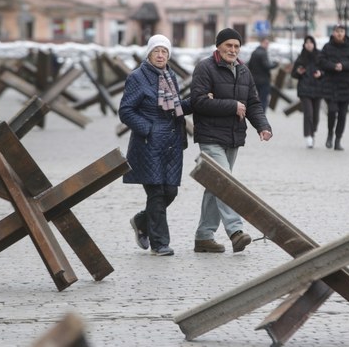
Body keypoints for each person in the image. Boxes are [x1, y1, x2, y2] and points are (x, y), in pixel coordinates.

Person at [190, 28, 273, 253]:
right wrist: (232, 105)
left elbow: (253, 103)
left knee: (215, 186)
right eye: (228, 45)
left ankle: (204, 237)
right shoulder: (205, 68)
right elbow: (197, 102)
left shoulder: (244, 71)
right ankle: (236, 231)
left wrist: (263, 126)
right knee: (225, 183)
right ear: (218, 46)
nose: (233, 50)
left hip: (233, 137)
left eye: (236, 46)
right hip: (210, 136)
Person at [119, 34, 192, 256]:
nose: (161, 55)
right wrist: (148, 129)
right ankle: (160, 244)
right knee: (157, 193)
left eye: (164, 51)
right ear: (149, 54)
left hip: (171, 143)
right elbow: (125, 110)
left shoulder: (170, 76)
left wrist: (198, 101)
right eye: (156, 51)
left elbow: (175, 107)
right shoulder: (137, 77)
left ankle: (141, 220)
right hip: (148, 144)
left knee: (170, 191)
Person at [317, 24, 349, 151]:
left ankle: (338, 139)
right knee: (331, 111)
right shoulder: (327, 47)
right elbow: (321, 61)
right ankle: (330, 133)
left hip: (346, 86)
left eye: (341, 31)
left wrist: (344, 66)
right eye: (337, 31)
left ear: (345, 33)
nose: (339, 33)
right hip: (330, 85)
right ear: (333, 33)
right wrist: (333, 66)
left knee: (342, 114)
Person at [291, 35, 323, 148]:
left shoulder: (320, 56)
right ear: (304, 44)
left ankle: (312, 132)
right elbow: (293, 74)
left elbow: (326, 71)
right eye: (307, 42)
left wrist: (321, 74)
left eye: (311, 42)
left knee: (316, 116)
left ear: (314, 44)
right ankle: (308, 136)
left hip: (318, 89)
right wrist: (298, 72)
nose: (309, 44)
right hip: (304, 89)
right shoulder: (301, 57)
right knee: (308, 113)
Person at [246, 37, 277, 111]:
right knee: (263, 99)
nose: (267, 45)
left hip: (254, 80)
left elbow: (249, 65)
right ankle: (261, 115)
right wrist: (275, 64)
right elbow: (267, 66)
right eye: (266, 43)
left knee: (256, 98)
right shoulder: (263, 53)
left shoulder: (254, 52)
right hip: (263, 80)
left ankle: (256, 113)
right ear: (262, 43)